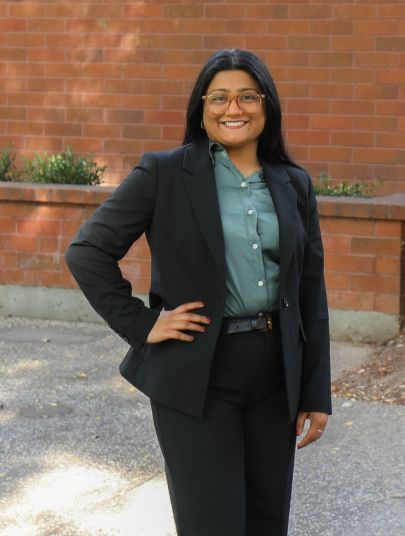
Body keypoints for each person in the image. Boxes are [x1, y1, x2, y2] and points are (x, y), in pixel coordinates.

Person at [65, 48, 331, 535]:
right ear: (202, 107)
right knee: (212, 525)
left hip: (276, 375)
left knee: (268, 521)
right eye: (221, 97)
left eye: (248, 96)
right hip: (198, 374)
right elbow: (87, 252)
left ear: (266, 105)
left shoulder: (294, 183)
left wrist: (316, 390)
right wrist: (145, 324)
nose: (235, 109)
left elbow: (310, 291)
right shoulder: (164, 174)